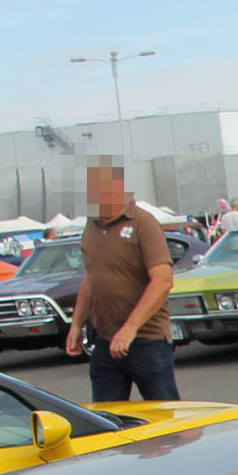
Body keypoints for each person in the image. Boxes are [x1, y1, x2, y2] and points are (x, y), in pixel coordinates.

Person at [64, 158, 178, 401]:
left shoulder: (143, 223)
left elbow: (163, 281)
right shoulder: (91, 225)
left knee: (167, 419)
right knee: (107, 422)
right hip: (105, 342)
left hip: (147, 341)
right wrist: (76, 324)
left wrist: (130, 328)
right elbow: (91, 279)